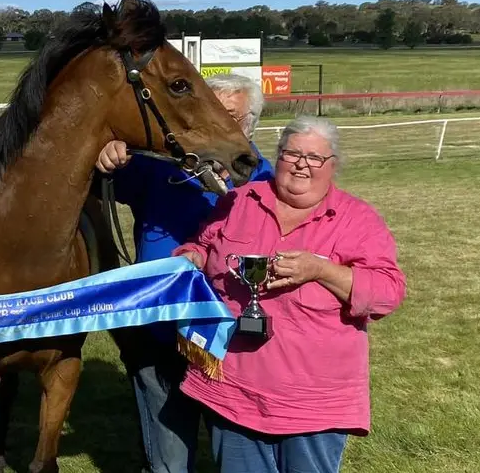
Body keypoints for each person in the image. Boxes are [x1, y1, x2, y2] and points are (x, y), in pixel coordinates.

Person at [173, 116, 406, 473]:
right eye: (291, 153)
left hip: (313, 402)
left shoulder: (358, 220)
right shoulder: (238, 202)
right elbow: (205, 245)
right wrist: (192, 256)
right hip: (233, 390)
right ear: (277, 156)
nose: (301, 164)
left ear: (333, 166)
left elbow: (387, 293)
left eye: (314, 158)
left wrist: (322, 270)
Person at [94, 72, 276, 473]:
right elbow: (100, 177)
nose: (211, 121)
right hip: (158, 325)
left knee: (238, 453)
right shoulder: (159, 167)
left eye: (227, 114)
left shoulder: (266, 180)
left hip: (228, 335)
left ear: (248, 124)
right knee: (169, 458)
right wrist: (107, 157)